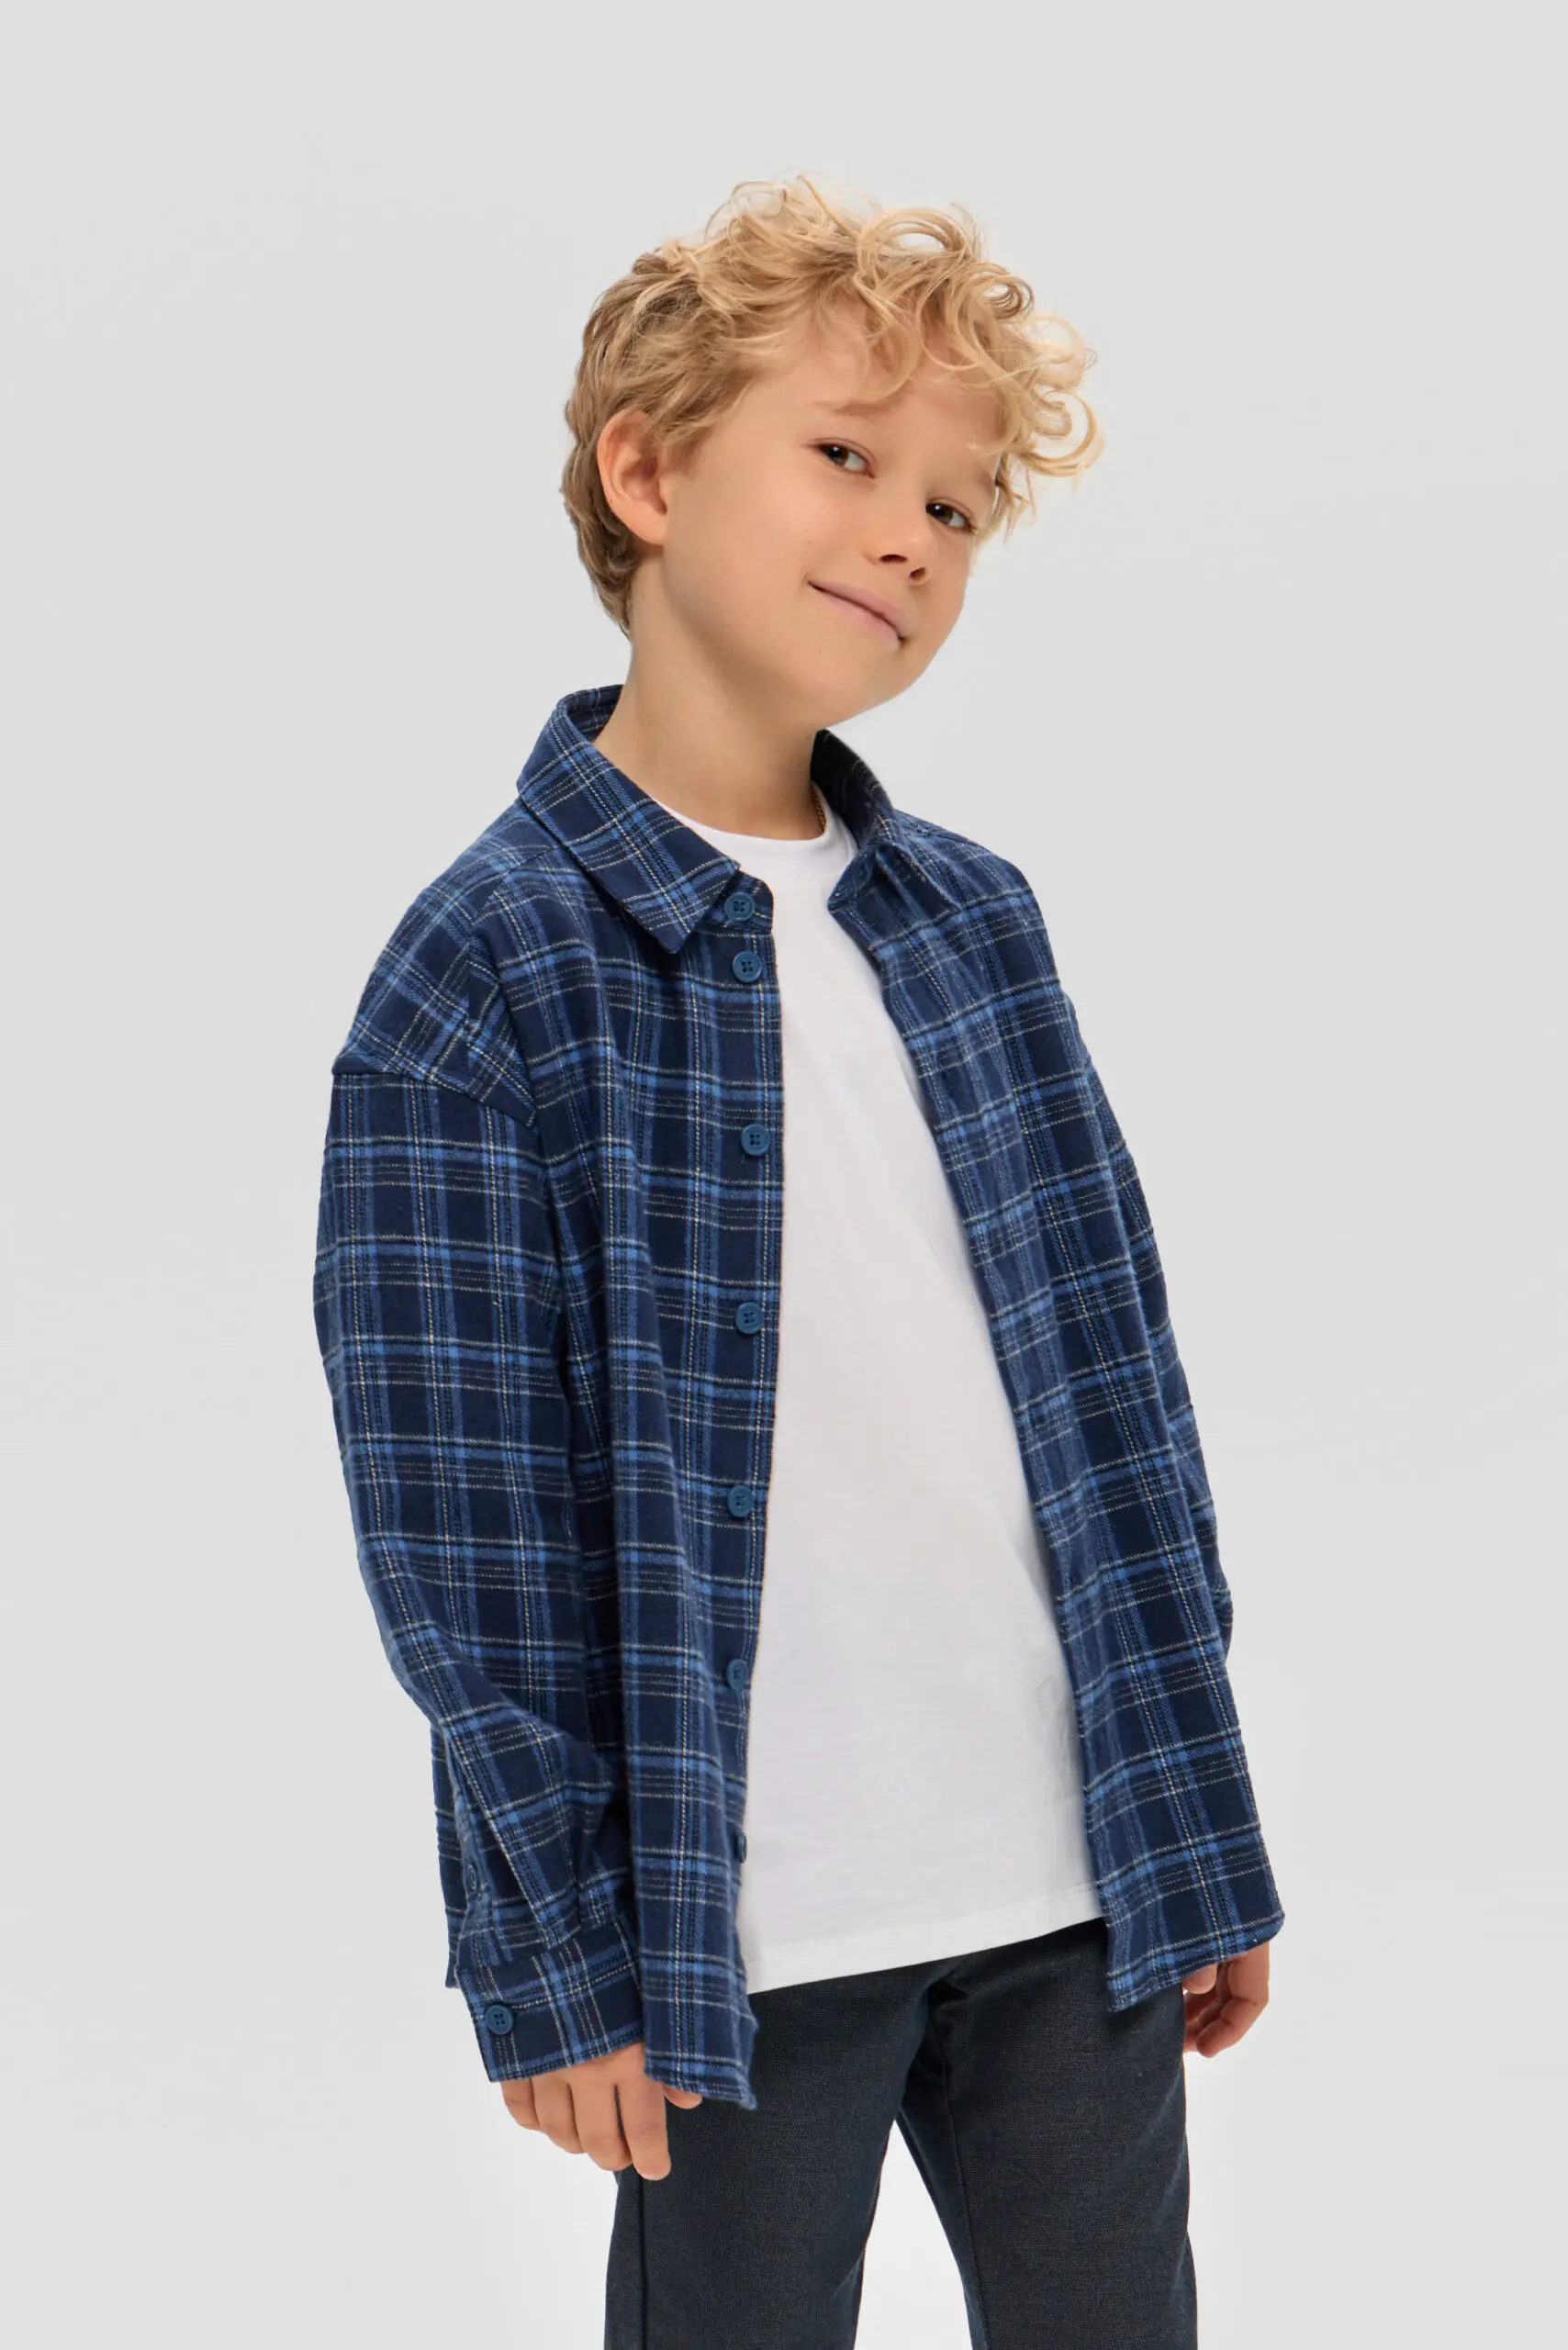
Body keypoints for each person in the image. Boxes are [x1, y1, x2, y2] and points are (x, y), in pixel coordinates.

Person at [311, 174, 1285, 2349]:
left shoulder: (972, 926)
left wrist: (1193, 1814)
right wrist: (554, 1954)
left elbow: (1118, 1395)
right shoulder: (484, 972)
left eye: (953, 503)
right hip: (734, 1936)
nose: (908, 535)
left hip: (1070, 1880)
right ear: (647, 477)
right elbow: (458, 1526)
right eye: (844, 455)